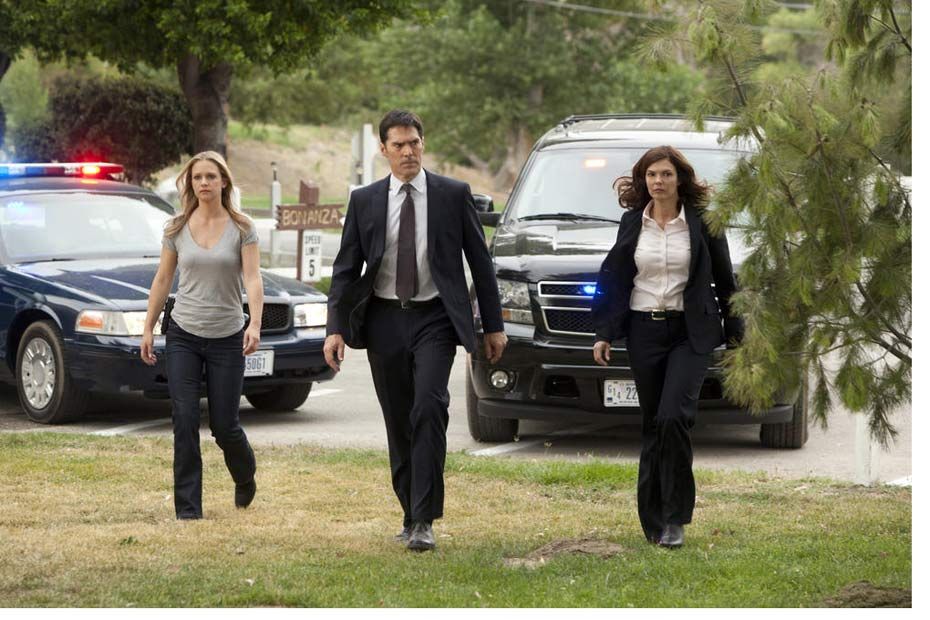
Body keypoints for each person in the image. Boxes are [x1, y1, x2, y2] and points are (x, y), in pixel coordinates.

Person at [324, 110, 507, 551]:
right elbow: (346, 269)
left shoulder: (452, 194)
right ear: (383, 150)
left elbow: (480, 262)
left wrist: (493, 326)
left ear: (423, 144)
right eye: (399, 145)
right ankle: (409, 511)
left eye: (414, 143)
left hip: (435, 318)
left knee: (429, 407)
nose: (408, 152)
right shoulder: (365, 200)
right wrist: (334, 328)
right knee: (398, 418)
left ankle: (425, 519)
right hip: (384, 319)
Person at [591, 146, 742, 549]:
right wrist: (604, 332)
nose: (659, 181)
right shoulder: (632, 222)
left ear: (680, 179)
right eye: (652, 175)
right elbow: (616, 278)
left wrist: (737, 338)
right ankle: (652, 518)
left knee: (674, 417)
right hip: (644, 331)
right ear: (643, 181)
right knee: (654, 424)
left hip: (689, 333)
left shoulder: (703, 223)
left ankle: (675, 519)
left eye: (666, 174)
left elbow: (726, 281)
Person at [141, 151, 263, 520]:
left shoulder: (242, 227)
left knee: (225, 426)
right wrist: (147, 327)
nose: (204, 183)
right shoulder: (176, 228)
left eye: (211, 176)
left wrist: (255, 324)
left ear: (224, 181)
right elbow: (163, 279)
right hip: (183, 334)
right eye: (197, 177)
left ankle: (244, 475)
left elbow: (253, 278)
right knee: (184, 418)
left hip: (227, 335)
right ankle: (188, 510)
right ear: (190, 184)